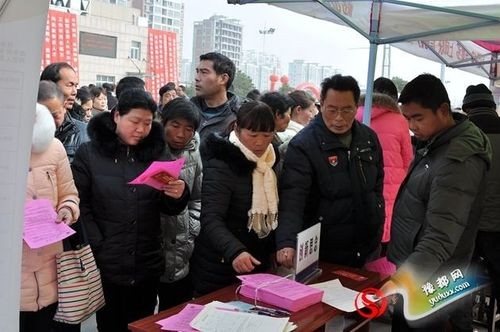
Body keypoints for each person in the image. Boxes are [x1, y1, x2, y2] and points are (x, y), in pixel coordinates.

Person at [71, 88, 190, 331]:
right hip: (106, 262)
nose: (141, 129)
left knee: (141, 324)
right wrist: (99, 243)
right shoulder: (89, 153)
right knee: (109, 325)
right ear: (116, 116)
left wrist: (179, 195)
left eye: (147, 123)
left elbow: (167, 207)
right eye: (134, 121)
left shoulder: (157, 151)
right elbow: (80, 204)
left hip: (146, 261)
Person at [383, 74, 491, 331]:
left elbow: (441, 236)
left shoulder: (457, 160)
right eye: (407, 118)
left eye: (418, 118)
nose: (411, 126)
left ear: (443, 110)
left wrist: (404, 280)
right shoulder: (438, 143)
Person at [276, 74, 385, 269]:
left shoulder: (368, 138)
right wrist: (287, 242)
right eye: (332, 110)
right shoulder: (304, 145)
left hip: (367, 246)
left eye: (347, 110)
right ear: (321, 106)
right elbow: (293, 198)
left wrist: (377, 218)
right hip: (324, 249)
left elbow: (377, 186)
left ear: (356, 108)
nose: (339, 118)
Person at [190, 101, 279, 295]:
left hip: (257, 260)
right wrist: (235, 251)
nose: (260, 142)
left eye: (267, 135)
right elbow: (211, 219)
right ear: (237, 129)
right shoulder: (222, 162)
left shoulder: (270, 162)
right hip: (219, 265)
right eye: (252, 135)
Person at [20, 103, 80, 332]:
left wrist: (67, 210)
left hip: (52, 269)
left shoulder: (54, 148)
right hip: (12, 275)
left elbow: (69, 194)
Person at [356, 78, 413, 248]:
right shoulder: (400, 119)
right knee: (387, 228)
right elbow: (407, 157)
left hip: (361, 178)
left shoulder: (356, 114)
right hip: (393, 184)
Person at [157, 98, 202, 310]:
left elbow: (197, 197)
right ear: (162, 122)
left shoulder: (194, 152)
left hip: (182, 243)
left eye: (188, 129)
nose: (180, 134)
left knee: (175, 311)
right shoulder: (149, 150)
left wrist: (192, 227)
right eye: (175, 125)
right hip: (151, 247)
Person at [462, 84, 500, 304]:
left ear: (467, 108)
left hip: (468, 225)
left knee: (462, 281)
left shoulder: (462, 134)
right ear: (492, 106)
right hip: (498, 227)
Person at [40, 63, 89, 163]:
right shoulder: (24, 128)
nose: (75, 91)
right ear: (50, 86)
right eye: (69, 85)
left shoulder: (83, 132)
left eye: (76, 86)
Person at [191, 52, 241, 142]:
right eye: (197, 72)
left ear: (223, 79)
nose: (197, 78)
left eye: (204, 72)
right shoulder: (186, 110)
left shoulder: (239, 118)